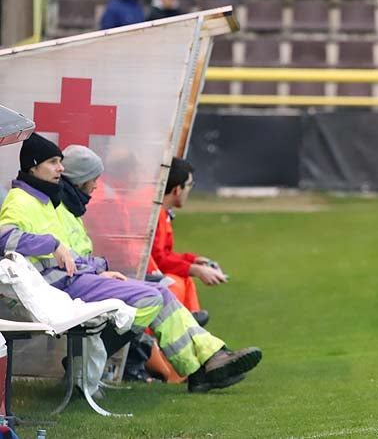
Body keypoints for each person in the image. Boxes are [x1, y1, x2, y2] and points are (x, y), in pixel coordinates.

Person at [0, 133, 263, 393]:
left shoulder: (45, 200)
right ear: (33, 165)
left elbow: (72, 253)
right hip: (60, 285)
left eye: (60, 161)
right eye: (53, 162)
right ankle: (82, 364)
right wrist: (55, 246)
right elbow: (5, 238)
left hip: (69, 280)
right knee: (152, 297)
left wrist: (98, 270)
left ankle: (205, 364)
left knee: (159, 291)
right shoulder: (25, 200)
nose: (60, 167)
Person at [147, 158, 226, 316]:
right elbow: (159, 259)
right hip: (148, 280)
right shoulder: (156, 216)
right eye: (190, 185)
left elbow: (162, 254)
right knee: (177, 284)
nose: (190, 190)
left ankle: (192, 326)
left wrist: (192, 261)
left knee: (185, 279)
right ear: (177, 189)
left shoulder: (161, 214)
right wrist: (194, 269)